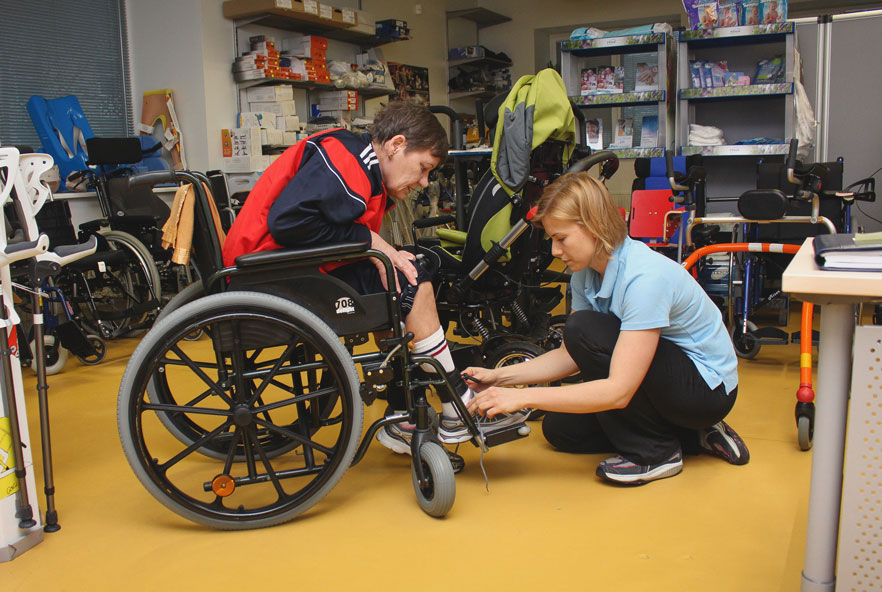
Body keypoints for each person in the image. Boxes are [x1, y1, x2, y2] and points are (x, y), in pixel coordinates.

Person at [222, 101, 525, 471]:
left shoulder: (358, 161)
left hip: (287, 268)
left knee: (412, 268)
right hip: (268, 275)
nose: (425, 182)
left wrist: (380, 249)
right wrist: (377, 245)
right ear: (396, 145)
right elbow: (289, 223)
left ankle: (404, 411)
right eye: (424, 168)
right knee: (415, 280)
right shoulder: (347, 162)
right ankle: (454, 407)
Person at [463, 172, 750, 486]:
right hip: (662, 383)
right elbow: (571, 356)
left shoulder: (644, 278)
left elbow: (619, 389)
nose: (555, 251)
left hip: (705, 391)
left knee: (582, 328)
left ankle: (657, 454)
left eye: (561, 238)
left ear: (594, 227)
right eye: (552, 240)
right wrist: (499, 378)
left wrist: (522, 399)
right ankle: (696, 436)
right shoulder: (586, 273)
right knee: (560, 430)